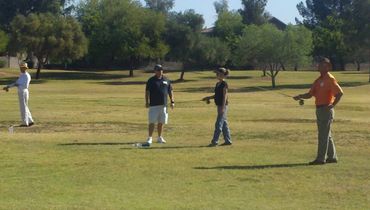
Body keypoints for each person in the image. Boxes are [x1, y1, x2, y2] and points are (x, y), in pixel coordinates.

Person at [293, 57, 343, 165]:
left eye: (322, 65)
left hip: (326, 109)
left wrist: (332, 105)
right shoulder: (318, 80)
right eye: (319, 65)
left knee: (323, 135)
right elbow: (310, 94)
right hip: (319, 109)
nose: (319, 67)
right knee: (326, 134)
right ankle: (332, 157)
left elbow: (340, 93)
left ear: (327, 67)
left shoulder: (330, 79)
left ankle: (321, 159)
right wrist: (300, 96)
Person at [144, 64, 174, 146]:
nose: (160, 71)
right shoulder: (151, 80)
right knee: (152, 122)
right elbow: (147, 92)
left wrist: (172, 101)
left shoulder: (166, 80)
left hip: (164, 105)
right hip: (154, 105)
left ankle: (159, 137)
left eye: (161, 70)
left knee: (161, 122)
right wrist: (147, 102)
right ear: (155, 71)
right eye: (158, 70)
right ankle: (150, 138)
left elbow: (170, 91)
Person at [202, 67, 232, 147]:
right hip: (219, 105)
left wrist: (222, 107)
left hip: (223, 106)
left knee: (218, 124)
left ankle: (214, 142)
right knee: (224, 124)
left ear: (222, 74)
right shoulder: (217, 84)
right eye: (216, 73)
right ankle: (228, 140)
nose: (216, 75)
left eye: (218, 73)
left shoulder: (224, 84)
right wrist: (208, 98)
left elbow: (225, 96)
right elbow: (217, 95)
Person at [3, 61, 35, 127]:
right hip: (22, 91)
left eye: (23, 67)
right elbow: (16, 83)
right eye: (21, 67)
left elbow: (21, 85)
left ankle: (25, 123)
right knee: (25, 106)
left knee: (23, 107)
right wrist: (8, 86)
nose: (21, 68)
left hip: (23, 91)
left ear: (25, 68)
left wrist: (9, 86)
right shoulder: (22, 75)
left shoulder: (26, 76)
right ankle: (30, 121)